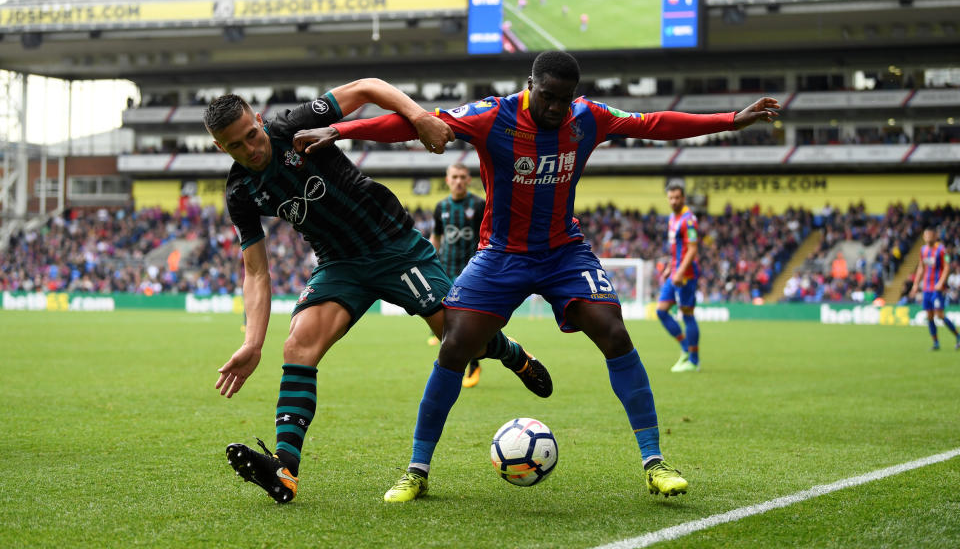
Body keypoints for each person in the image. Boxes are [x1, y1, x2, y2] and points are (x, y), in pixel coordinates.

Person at [295, 50, 780, 503]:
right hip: (501, 254)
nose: (554, 107)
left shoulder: (587, 117)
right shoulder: (494, 115)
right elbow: (420, 123)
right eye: (547, 96)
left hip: (564, 252)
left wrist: (730, 120)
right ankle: (417, 471)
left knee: (613, 331)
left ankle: (655, 462)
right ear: (531, 86)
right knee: (455, 346)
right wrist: (339, 132)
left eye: (563, 99)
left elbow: (655, 123)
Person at [203, 80, 553, 505]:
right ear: (222, 149)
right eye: (236, 146)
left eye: (252, 135)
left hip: (394, 246)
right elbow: (255, 271)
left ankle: (513, 355)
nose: (251, 149)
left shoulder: (294, 126)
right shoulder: (241, 192)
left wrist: (420, 117)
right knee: (297, 346)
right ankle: (285, 469)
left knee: (459, 337)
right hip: (339, 264)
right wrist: (252, 342)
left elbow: (368, 87)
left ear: (259, 120)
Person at [428, 163, 486, 388]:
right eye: (455, 177)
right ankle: (455, 365)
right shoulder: (441, 206)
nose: (459, 181)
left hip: (472, 273)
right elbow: (437, 237)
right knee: (448, 322)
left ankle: (472, 365)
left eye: (462, 177)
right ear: (448, 179)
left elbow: (486, 235)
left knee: (468, 323)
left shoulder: (479, 205)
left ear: (469, 179)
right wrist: (429, 262)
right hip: (446, 271)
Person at [655, 184, 702, 372]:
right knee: (661, 311)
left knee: (687, 314)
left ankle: (694, 361)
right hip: (674, 271)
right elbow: (676, 249)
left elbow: (692, 249)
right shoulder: (672, 218)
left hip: (685, 275)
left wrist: (680, 272)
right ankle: (685, 348)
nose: (674, 201)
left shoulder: (688, 220)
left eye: (677, 197)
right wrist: (669, 267)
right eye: (671, 197)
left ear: (683, 198)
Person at [910, 226, 959, 350]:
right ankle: (936, 343)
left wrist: (940, 283)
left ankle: (958, 336)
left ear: (935, 236)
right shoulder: (923, 250)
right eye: (926, 235)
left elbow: (947, 267)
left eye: (931, 235)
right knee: (930, 316)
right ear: (923, 237)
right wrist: (915, 284)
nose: (928, 237)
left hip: (937, 288)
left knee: (940, 315)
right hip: (926, 288)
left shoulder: (941, 250)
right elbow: (921, 268)